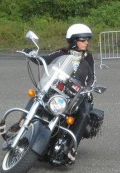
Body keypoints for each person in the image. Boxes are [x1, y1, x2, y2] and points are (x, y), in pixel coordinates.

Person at [23, 23, 96, 162]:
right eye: (83, 40)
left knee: (85, 113)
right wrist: (31, 54)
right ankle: (21, 123)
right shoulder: (62, 53)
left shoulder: (88, 57)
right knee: (38, 97)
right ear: (74, 41)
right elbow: (44, 59)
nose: (86, 42)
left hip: (76, 94)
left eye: (87, 40)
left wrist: (88, 89)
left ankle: (70, 148)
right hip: (59, 89)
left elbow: (92, 76)